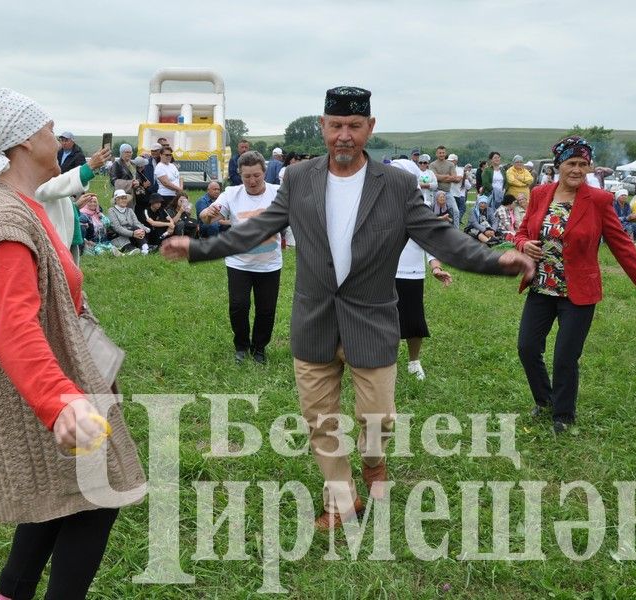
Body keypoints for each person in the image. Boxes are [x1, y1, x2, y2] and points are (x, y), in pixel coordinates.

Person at [163, 86, 534, 529]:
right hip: (314, 319)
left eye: (354, 126)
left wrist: (496, 261)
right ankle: (342, 500)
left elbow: (440, 236)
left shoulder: (396, 185)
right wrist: (201, 248)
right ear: (323, 126)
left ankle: (373, 462)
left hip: (372, 320)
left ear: (369, 129)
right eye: (336, 125)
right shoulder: (299, 180)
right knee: (320, 421)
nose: (344, 135)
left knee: (378, 419)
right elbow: (258, 227)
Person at [0, 88, 144, 600]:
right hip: (36, 395)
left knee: (56, 503)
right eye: (47, 128)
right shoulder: (4, 222)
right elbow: (14, 326)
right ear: (20, 143)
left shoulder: (11, 204)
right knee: (96, 495)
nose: (55, 135)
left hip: (44, 385)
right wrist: (60, 402)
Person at [514, 135, 636, 434]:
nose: (577, 170)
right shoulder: (540, 194)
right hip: (542, 286)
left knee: (565, 357)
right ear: (558, 166)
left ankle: (563, 416)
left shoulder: (600, 201)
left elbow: (623, 246)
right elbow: (523, 231)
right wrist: (524, 243)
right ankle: (545, 399)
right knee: (527, 347)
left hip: (579, 292)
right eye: (571, 163)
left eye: (583, 164)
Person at [199, 150, 282, 365]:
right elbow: (206, 217)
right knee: (238, 306)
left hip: (269, 264)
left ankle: (259, 349)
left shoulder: (278, 193)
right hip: (239, 263)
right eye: (247, 176)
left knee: (266, 310)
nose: (252, 180)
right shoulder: (231, 194)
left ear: (265, 172)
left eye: (257, 175)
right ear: (240, 175)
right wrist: (208, 214)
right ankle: (241, 346)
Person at [396, 240, 452, 380]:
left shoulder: (421, 217)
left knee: (415, 320)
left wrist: (436, 268)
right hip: (383, 272)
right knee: (384, 320)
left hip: (412, 273)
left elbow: (430, 244)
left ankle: (414, 362)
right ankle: (386, 363)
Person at [107, 189, 149, 254]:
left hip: (133, 233)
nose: (124, 200)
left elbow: (136, 223)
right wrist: (132, 233)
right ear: (116, 200)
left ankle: (145, 247)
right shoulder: (111, 211)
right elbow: (117, 228)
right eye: (121, 198)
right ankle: (143, 248)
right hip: (118, 235)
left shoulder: (130, 210)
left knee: (139, 228)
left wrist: (143, 229)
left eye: (125, 198)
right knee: (135, 229)